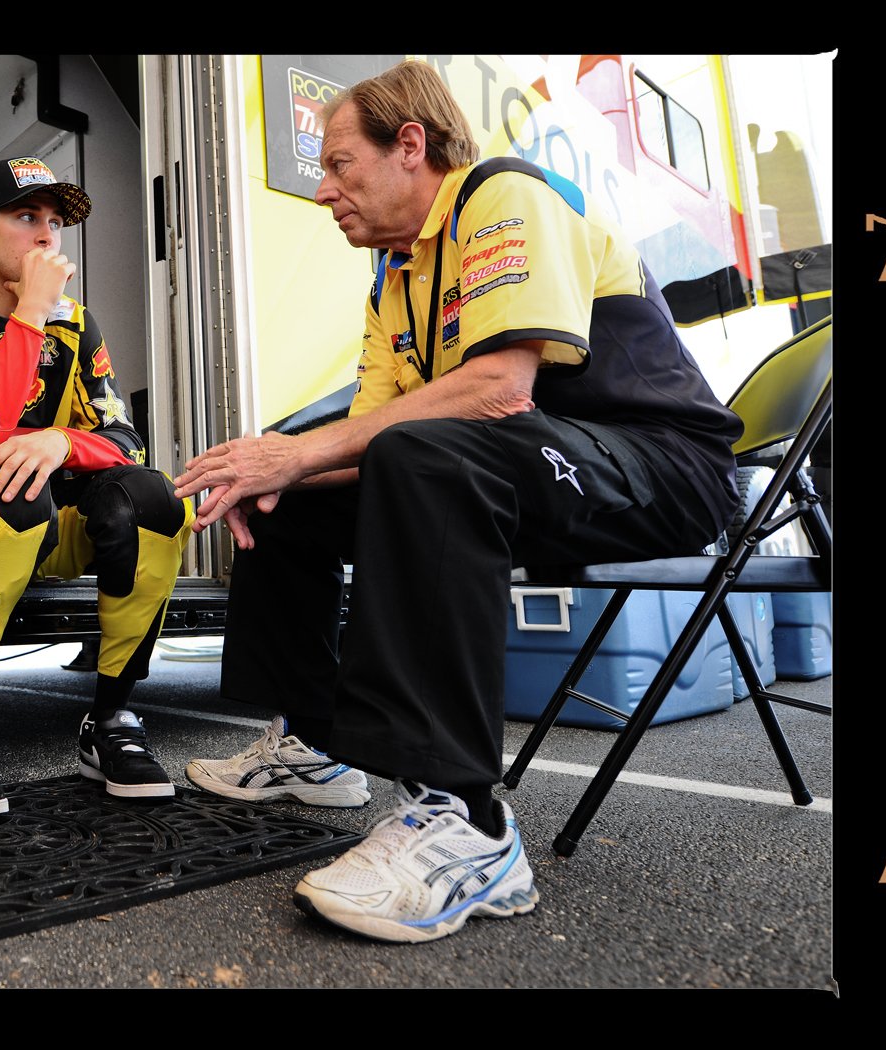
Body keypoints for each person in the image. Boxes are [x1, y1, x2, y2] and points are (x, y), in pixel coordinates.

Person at [175, 61, 742, 943]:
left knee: (416, 454)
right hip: (532, 461)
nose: (324, 192)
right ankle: (317, 747)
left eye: (338, 165)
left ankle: (469, 823)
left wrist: (289, 453)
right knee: (300, 494)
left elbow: (498, 390)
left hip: (662, 465)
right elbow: (365, 443)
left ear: (411, 146)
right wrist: (272, 474)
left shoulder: (502, 194)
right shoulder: (392, 278)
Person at [0, 157, 192, 814]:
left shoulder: (77, 324)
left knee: (155, 499)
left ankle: (111, 719)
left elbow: (123, 439)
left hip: (41, 521)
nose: (45, 238)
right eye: (26, 217)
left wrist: (60, 440)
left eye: (55, 223)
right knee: (9, 488)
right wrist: (30, 311)